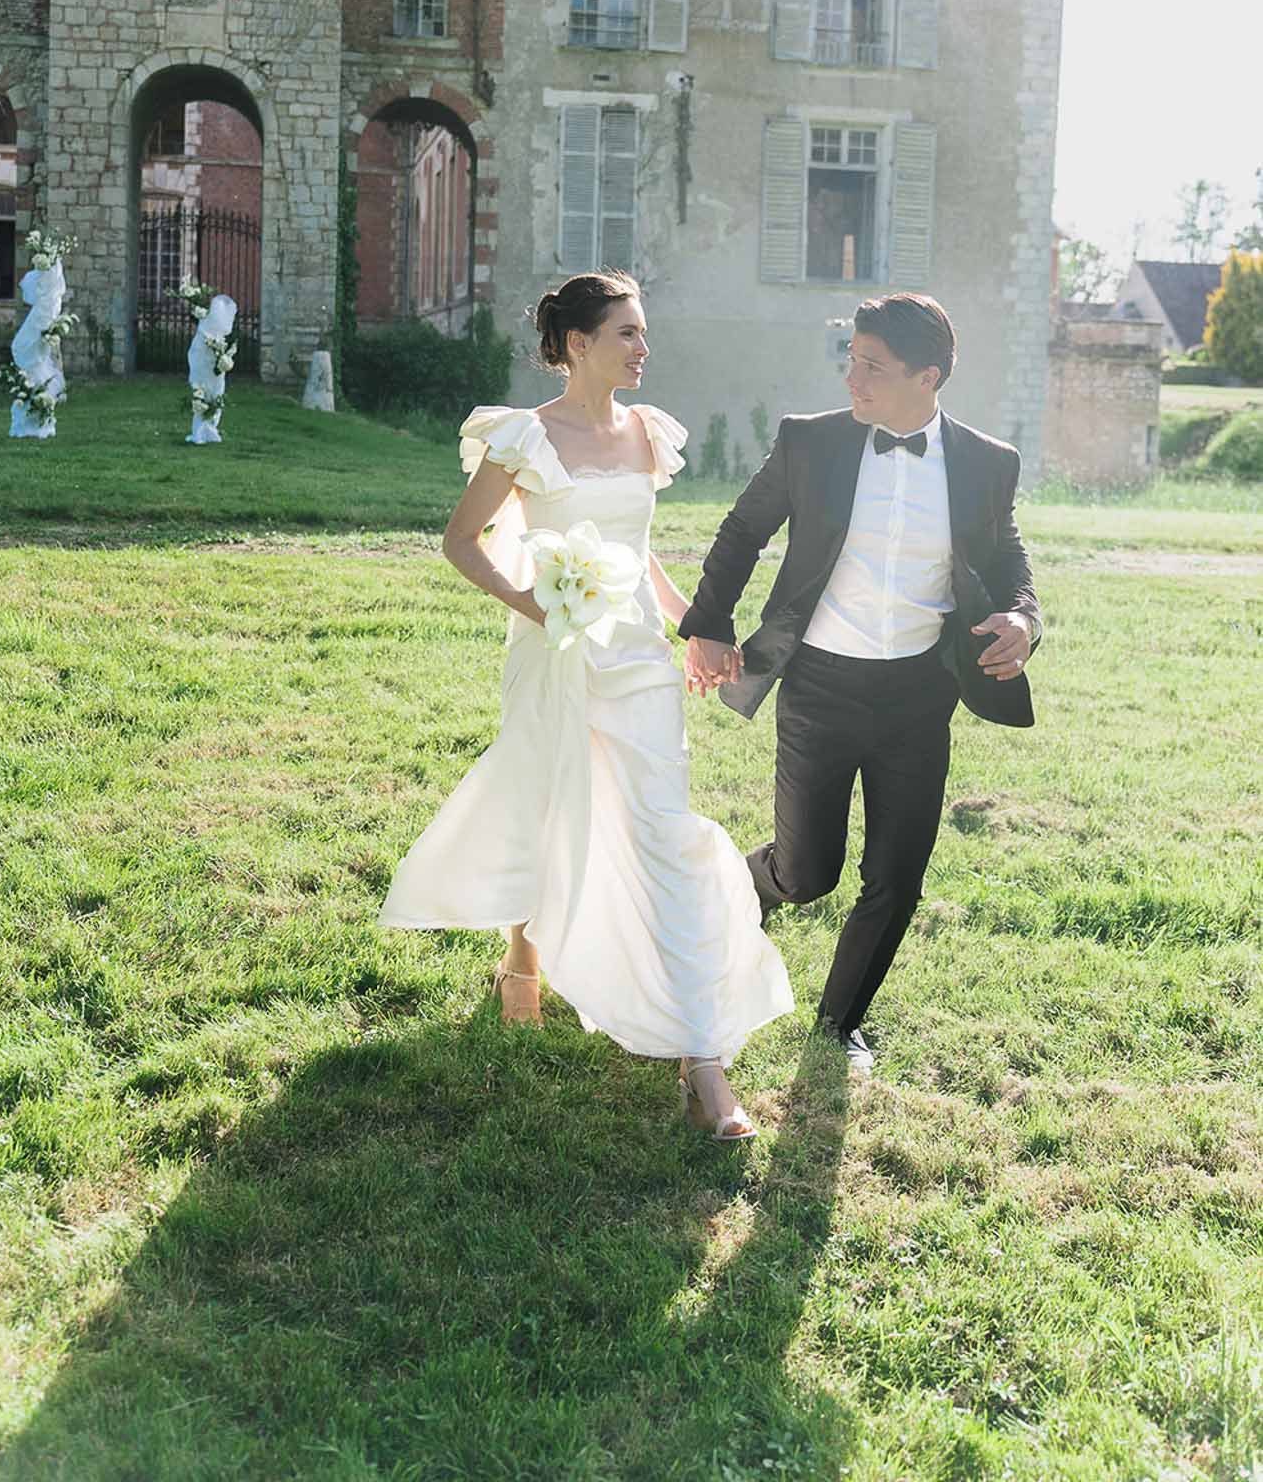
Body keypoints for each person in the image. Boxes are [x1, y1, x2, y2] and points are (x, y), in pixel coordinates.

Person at [379, 270, 793, 1139]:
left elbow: (638, 555)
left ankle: (703, 1064)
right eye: (628, 335)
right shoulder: (522, 438)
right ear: (578, 346)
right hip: (557, 653)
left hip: (639, 657)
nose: (645, 349)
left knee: (661, 832)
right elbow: (462, 543)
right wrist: (538, 605)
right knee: (548, 798)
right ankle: (523, 961)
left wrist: (696, 627)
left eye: (644, 334)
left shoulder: (650, 433)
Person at [681, 293, 1041, 1073]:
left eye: (872, 366)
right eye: (851, 359)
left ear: (928, 377)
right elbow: (744, 529)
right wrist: (709, 621)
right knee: (808, 873)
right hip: (818, 687)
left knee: (898, 876)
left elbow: (1009, 562)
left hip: (919, 696)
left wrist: (1023, 619)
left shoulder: (986, 463)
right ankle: (739, 894)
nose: (853, 377)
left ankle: (838, 1024)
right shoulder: (811, 443)